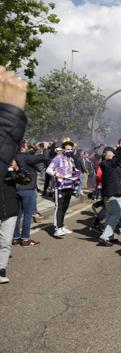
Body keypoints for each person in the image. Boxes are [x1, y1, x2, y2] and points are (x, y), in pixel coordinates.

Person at [0, 65, 28, 283]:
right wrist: (9, 116)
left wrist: (15, 170)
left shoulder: (15, 165)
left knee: (5, 242)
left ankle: (1, 269)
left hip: (8, 208)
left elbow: (24, 179)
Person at [13, 139, 49, 246]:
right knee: (28, 215)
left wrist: (35, 148)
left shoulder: (15, 155)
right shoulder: (26, 157)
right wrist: (45, 148)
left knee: (18, 215)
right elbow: (44, 158)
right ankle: (25, 239)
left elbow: (28, 158)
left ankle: (15, 238)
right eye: (26, 144)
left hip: (16, 188)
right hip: (28, 189)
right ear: (23, 146)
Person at [97, 134, 121, 246]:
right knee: (116, 215)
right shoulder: (108, 163)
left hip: (111, 193)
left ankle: (109, 237)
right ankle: (105, 236)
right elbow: (119, 155)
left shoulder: (110, 163)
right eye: (110, 154)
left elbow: (118, 155)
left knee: (109, 215)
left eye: (113, 154)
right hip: (113, 194)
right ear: (105, 156)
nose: (113, 155)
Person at [46, 140, 81, 237]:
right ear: (63, 149)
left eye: (71, 149)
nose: (69, 151)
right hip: (60, 186)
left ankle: (61, 226)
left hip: (69, 186)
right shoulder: (58, 158)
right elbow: (48, 169)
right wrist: (57, 174)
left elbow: (72, 170)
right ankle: (57, 228)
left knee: (65, 207)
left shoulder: (71, 159)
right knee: (59, 207)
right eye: (67, 149)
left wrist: (76, 173)